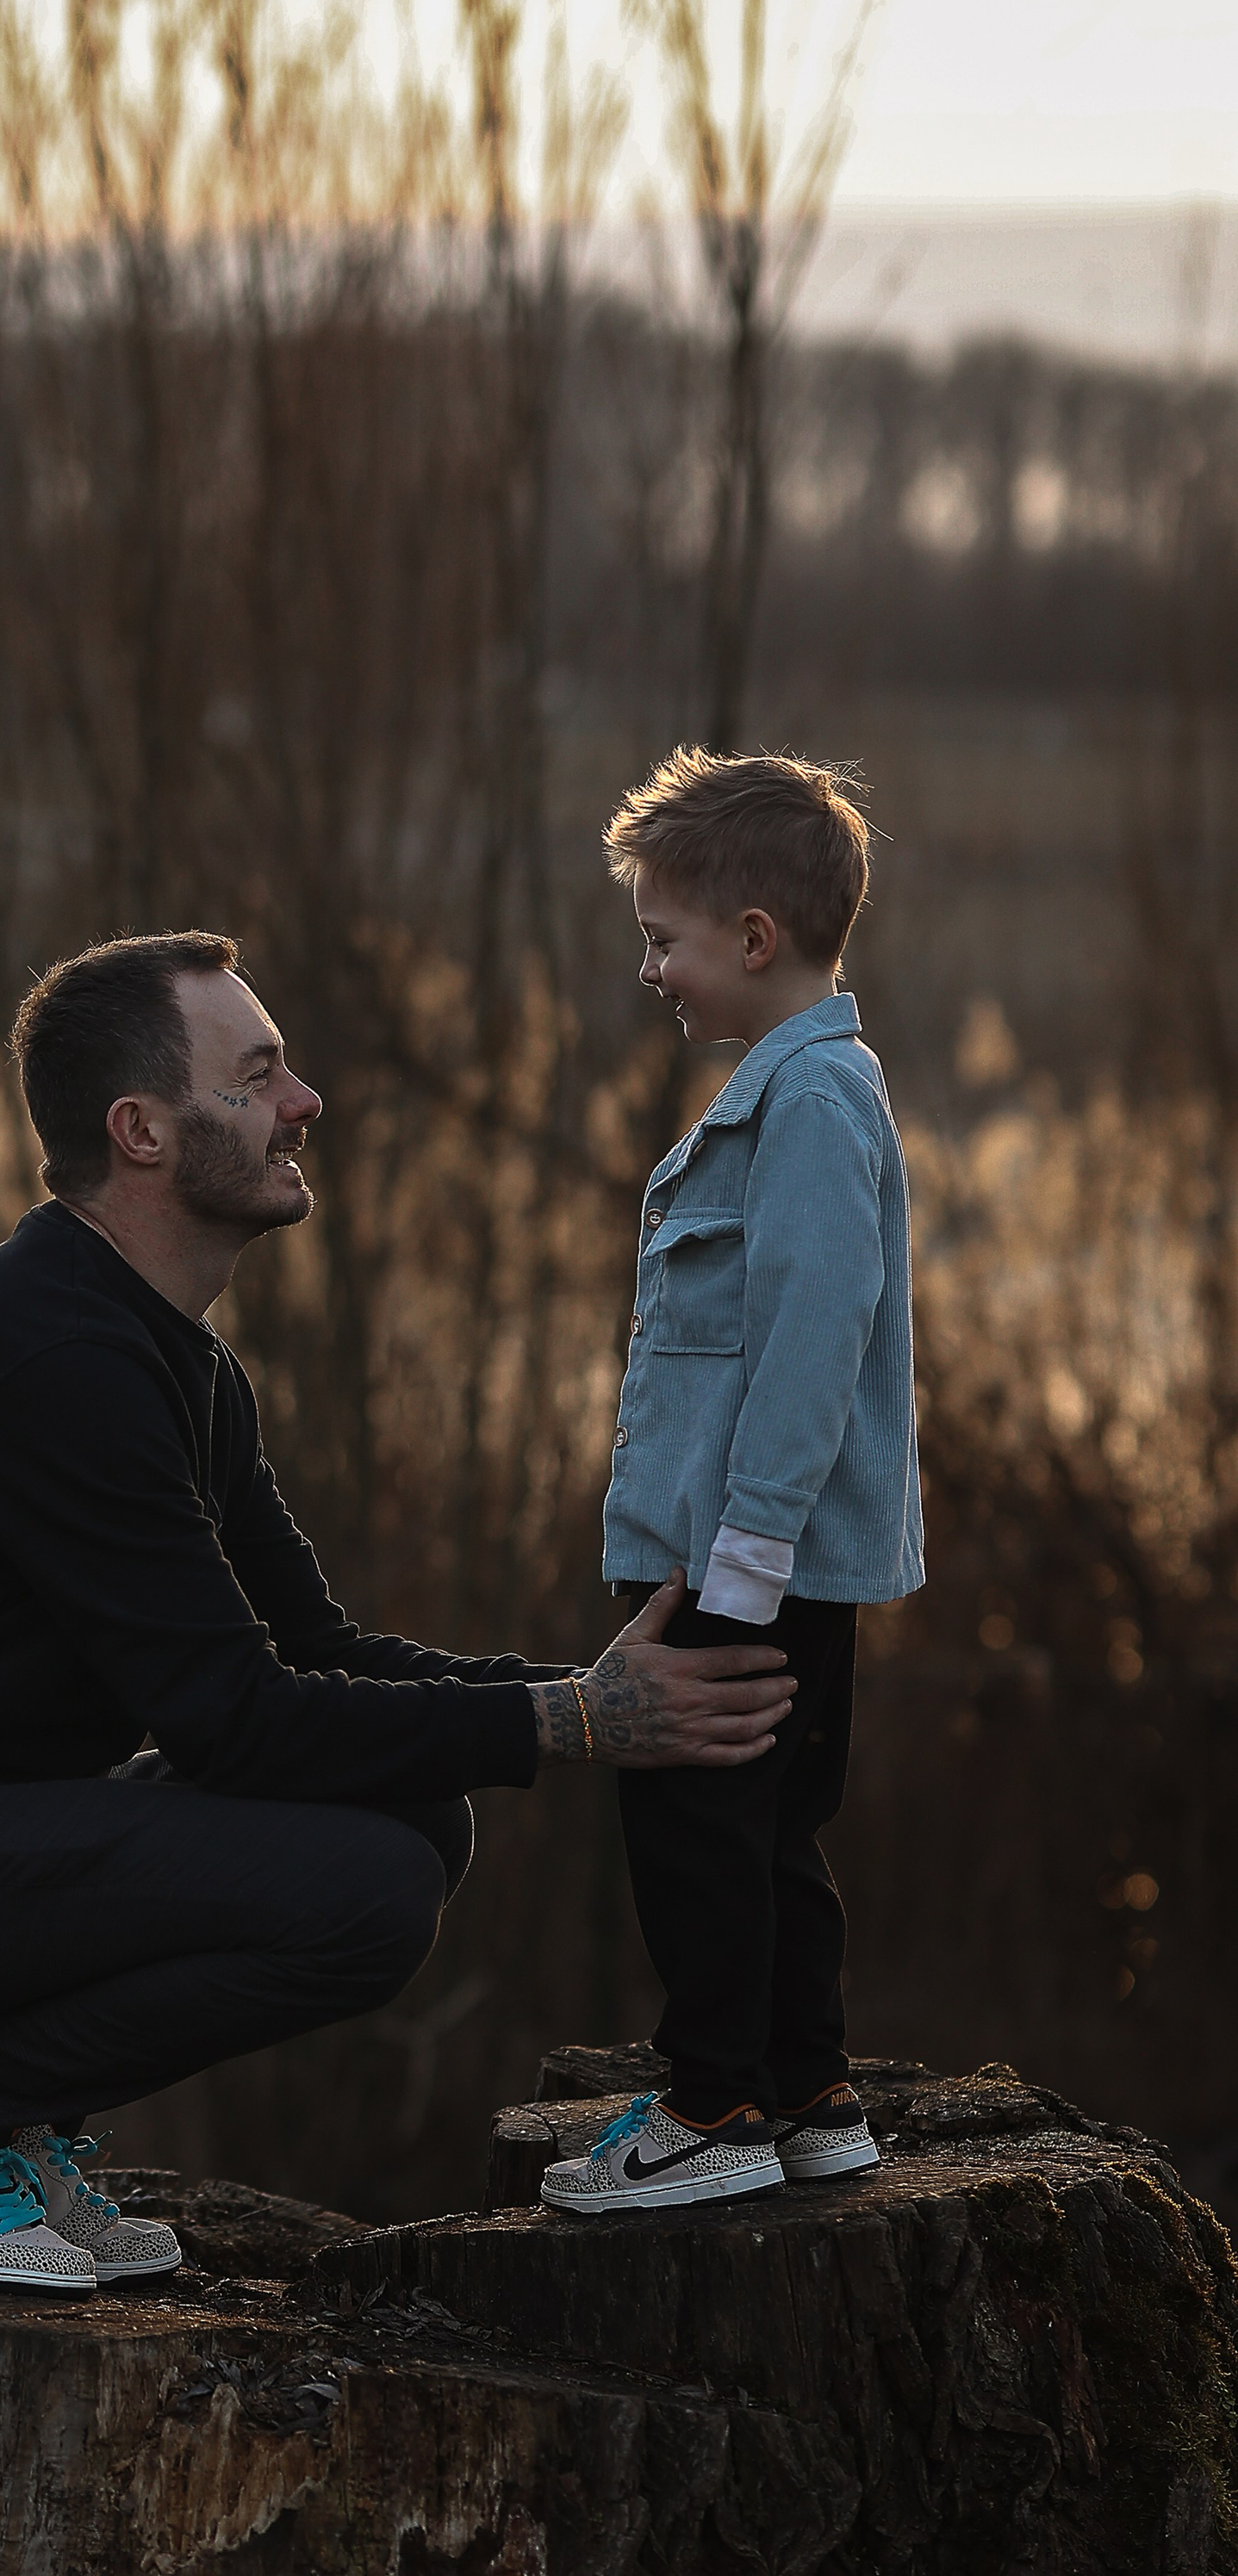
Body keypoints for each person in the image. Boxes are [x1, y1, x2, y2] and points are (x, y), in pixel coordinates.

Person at [0, 930, 799, 2294]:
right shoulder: (55, 1363)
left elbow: (317, 1657)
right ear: (144, 1130)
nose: (306, 1102)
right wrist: (576, 1722)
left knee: (414, 1817)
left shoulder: (178, 1365)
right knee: (366, 1888)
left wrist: (593, 1694)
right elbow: (235, 1722)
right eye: (261, 1074)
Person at [540, 751, 924, 2219]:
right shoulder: (808, 1091)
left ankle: (710, 2106)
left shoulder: (813, 1104)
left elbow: (814, 1341)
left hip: (753, 1560)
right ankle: (802, 2084)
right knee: (768, 1827)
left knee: (694, 1816)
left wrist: (745, 1553)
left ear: (753, 940)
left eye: (663, 939)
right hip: (756, 1558)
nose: (652, 969)